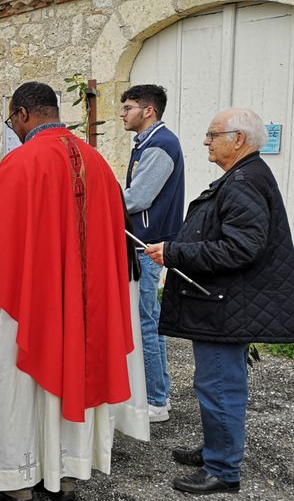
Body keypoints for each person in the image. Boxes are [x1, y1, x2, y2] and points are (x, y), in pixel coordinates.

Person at [0, 82, 135, 501]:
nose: (15, 128)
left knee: (21, 387)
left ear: (23, 114)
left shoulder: (22, 162)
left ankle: (17, 484)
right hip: (84, 305)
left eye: (12, 120)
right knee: (75, 375)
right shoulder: (97, 162)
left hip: (30, 302)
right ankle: (67, 475)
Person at [145, 108, 294, 496]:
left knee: (219, 386)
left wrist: (175, 253)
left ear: (238, 139)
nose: (205, 141)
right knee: (215, 383)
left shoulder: (244, 181)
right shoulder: (242, 176)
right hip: (225, 302)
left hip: (226, 306)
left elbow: (241, 248)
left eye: (213, 134)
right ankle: (217, 448)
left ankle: (223, 470)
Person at [120, 84, 184, 423]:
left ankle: (156, 401)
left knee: (146, 322)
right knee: (146, 320)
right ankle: (155, 395)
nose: (121, 113)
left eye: (128, 107)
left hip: (147, 242)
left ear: (149, 111)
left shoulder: (161, 144)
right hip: (145, 241)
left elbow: (138, 198)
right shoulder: (148, 143)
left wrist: (105, 203)